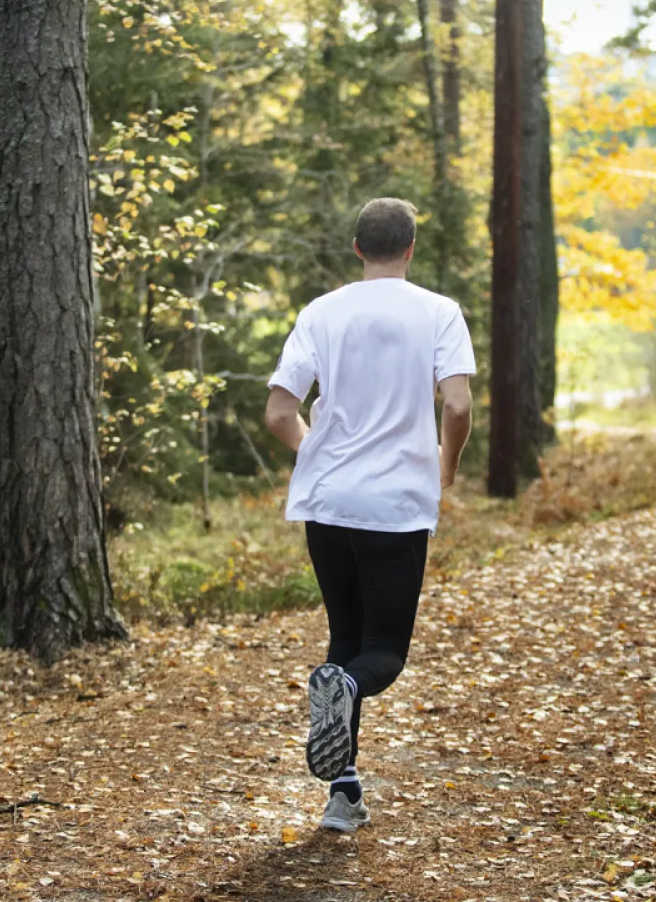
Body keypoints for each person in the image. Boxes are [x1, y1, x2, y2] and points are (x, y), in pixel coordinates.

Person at [264, 197, 475, 834]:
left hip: (328, 503)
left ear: (357, 247)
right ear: (411, 248)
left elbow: (278, 413)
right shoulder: (439, 312)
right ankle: (347, 705)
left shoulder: (321, 312)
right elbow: (459, 405)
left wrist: (318, 458)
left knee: (344, 643)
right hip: (396, 504)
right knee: (381, 652)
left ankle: (343, 796)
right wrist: (446, 468)